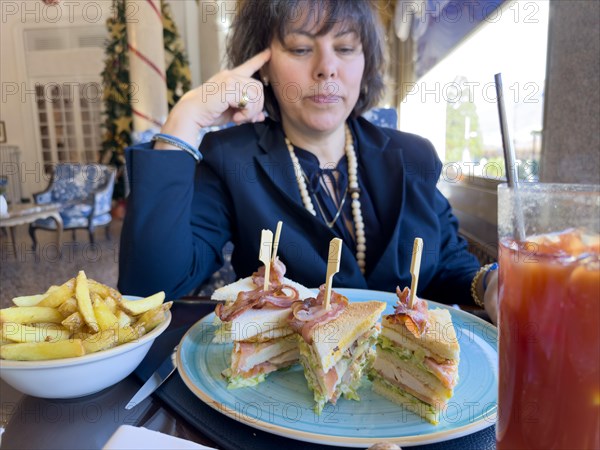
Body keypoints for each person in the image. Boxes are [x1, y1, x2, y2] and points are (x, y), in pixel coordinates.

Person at [118, 0, 498, 322]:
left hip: (404, 384)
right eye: (301, 48)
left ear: (365, 62)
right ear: (262, 65)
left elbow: (448, 263)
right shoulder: (231, 159)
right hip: (288, 391)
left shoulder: (412, 155)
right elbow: (150, 291)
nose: (326, 67)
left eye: (346, 48)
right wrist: (185, 120)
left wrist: (491, 284)